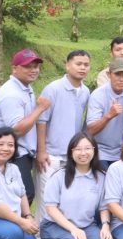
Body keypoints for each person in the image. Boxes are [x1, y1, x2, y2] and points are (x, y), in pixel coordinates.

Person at [38, 133, 113, 239]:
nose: (83, 153)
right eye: (78, 149)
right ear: (71, 153)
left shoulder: (101, 176)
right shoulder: (59, 176)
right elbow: (51, 209)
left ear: (94, 150)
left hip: (85, 225)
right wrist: (73, 229)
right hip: (55, 226)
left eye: (87, 148)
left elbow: (104, 207)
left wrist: (105, 225)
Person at [35, 50, 91, 221]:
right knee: (46, 203)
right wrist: (41, 151)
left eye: (86, 65)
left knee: (65, 202)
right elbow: (41, 121)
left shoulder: (85, 91)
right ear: (67, 65)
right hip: (50, 157)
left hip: (72, 157)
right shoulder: (53, 89)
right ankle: (41, 236)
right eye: (78, 64)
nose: (82, 68)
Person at [0, 48, 50, 204]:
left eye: (36, 66)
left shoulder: (25, 88)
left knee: (21, 195)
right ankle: (16, 221)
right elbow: (17, 130)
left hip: (21, 152)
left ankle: (19, 220)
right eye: (27, 66)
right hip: (12, 153)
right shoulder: (11, 94)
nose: (33, 70)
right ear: (14, 68)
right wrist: (40, 109)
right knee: (22, 195)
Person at [86, 58, 123, 170]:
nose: (121, 79)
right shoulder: (98, 95)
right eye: (117, 74)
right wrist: (109, 115)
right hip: (98, 150)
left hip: (121, 150)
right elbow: (90, 130)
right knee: (105, 176)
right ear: (109, 75)